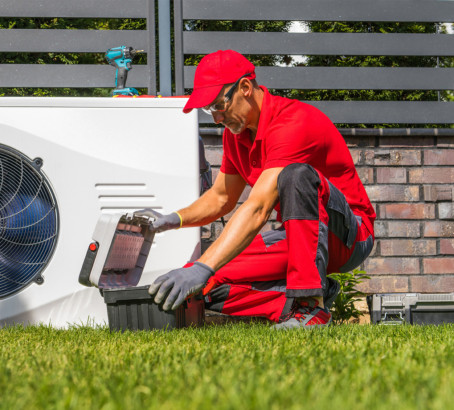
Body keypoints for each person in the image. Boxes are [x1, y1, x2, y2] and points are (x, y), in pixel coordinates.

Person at [136, 50, 375, 329]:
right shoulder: (235, 136)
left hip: (349, 235)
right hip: (300, 238)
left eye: (218, 106)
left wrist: (203, 265)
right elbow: (221, 197)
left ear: (245, 88)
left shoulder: (293, 122)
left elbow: (258, 207)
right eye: (208, 110)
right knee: (205, 285)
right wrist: (172, 220)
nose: (215, 118)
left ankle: (310, 306)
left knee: (296, 175)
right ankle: (302, 301)